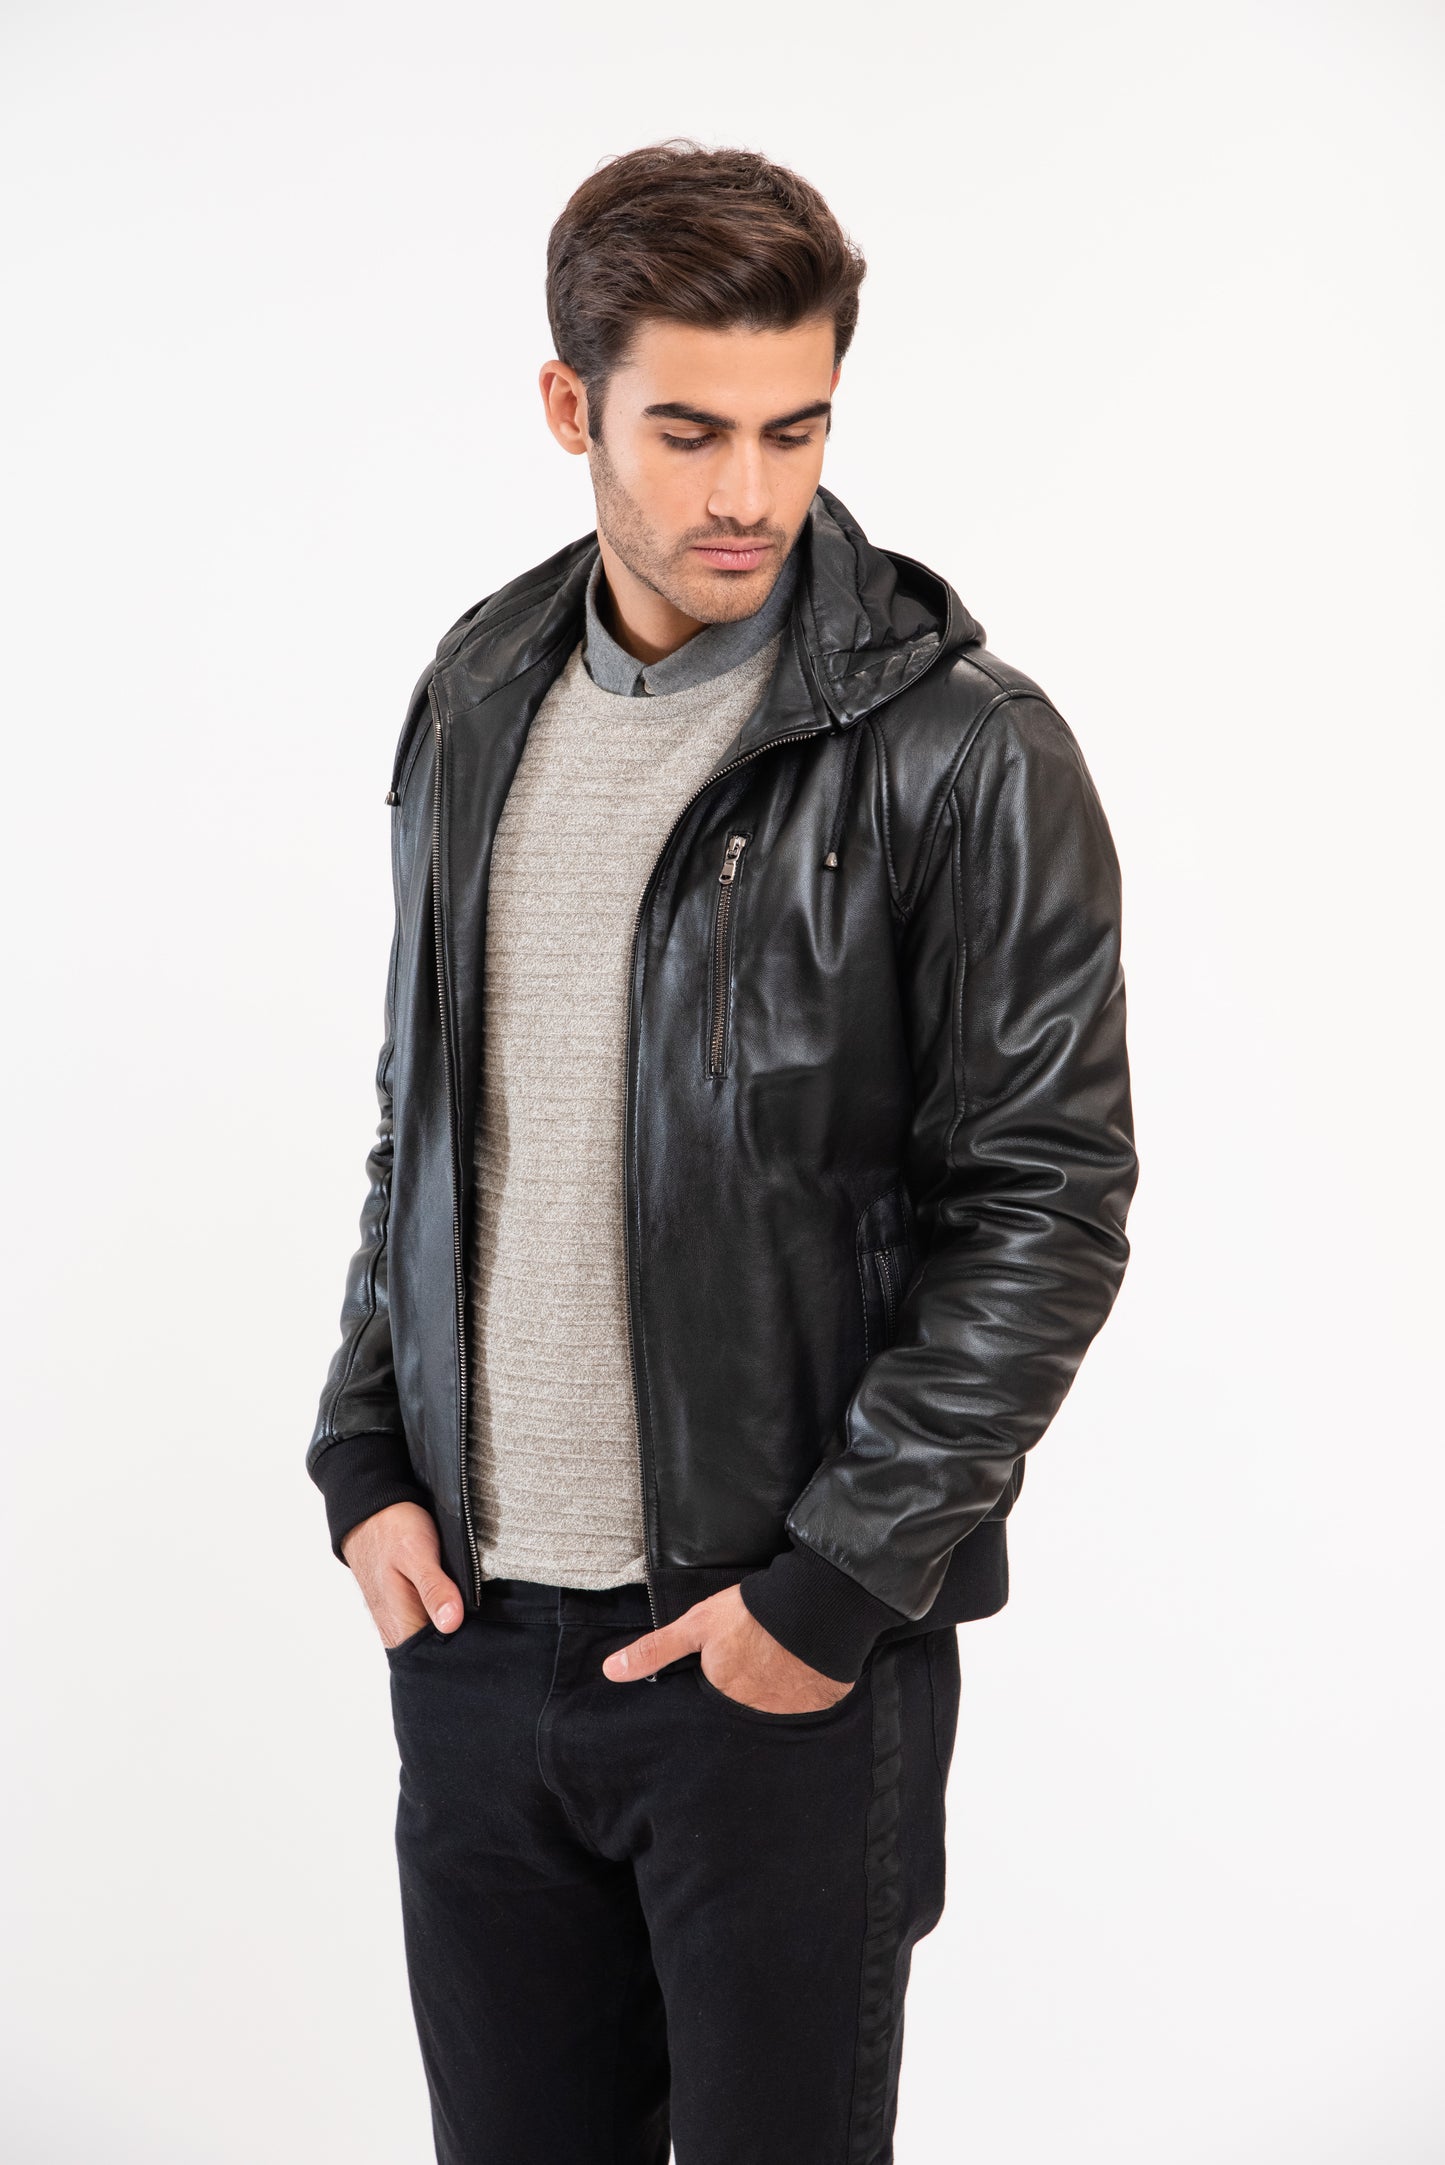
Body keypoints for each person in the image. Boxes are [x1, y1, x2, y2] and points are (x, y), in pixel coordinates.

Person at [306, 139, 1138, 2165]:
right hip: (474, 1644)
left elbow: (1046, 1203)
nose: (748, 492)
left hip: (774, 1668)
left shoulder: (960, 748)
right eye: (687, 432)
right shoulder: (478, 691)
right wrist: (363, 1453)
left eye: (795, 426)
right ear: (569, 406)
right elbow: (426, 1112)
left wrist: (833, 1589)